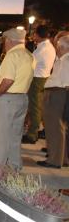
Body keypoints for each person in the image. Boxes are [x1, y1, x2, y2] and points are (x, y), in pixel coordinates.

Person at [0, 28, 35, 169]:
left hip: (7, 100)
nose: (4, 44)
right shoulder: (29, 54)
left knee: (0, 138)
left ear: (9, 40)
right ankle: (14, 169)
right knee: (15, 138)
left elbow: (8, 80)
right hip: (22, 98)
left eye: (5, 41)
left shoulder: (12, 55)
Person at [38, 35, 69, 169]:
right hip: (57, 92)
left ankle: (55, 160)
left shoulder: (66, 60)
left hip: (58, 93)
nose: (56, 47)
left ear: (62, 47)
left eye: (57, 45)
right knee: (58, 128)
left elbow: (63, 81)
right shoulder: (61, 59)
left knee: (55, 128)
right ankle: (61, 158)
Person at [22, 25, 55, 144]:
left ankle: (32, 135)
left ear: (39, 35)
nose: (33, 35)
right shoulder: (46, 46)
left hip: (38, 79)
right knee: (35, 107)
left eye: (35, 33)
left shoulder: (43, 48)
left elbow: (30, 63)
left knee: (35, 108)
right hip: (41, 78)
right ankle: (32, 130)